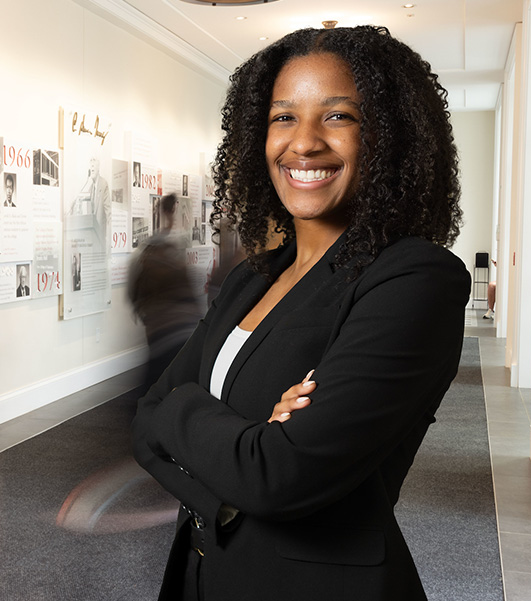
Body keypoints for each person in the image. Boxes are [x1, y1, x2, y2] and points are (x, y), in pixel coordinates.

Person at [132, 25, 471, 601]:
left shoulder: (414, 279)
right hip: (203, 574)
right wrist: (241, 462)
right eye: (284, 117)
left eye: (339, 116)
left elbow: (279, 476)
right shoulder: (252, 276)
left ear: (389, 138)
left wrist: (183, 406)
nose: (305, 143)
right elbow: (144, 424)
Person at [128, 193, 201, 393]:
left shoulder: (156, 249)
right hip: (170, 326)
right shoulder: (160, 251)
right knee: (162, 374)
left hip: (166, 325)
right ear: (170, 212)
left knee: (159, 374)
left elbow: (136, 289)